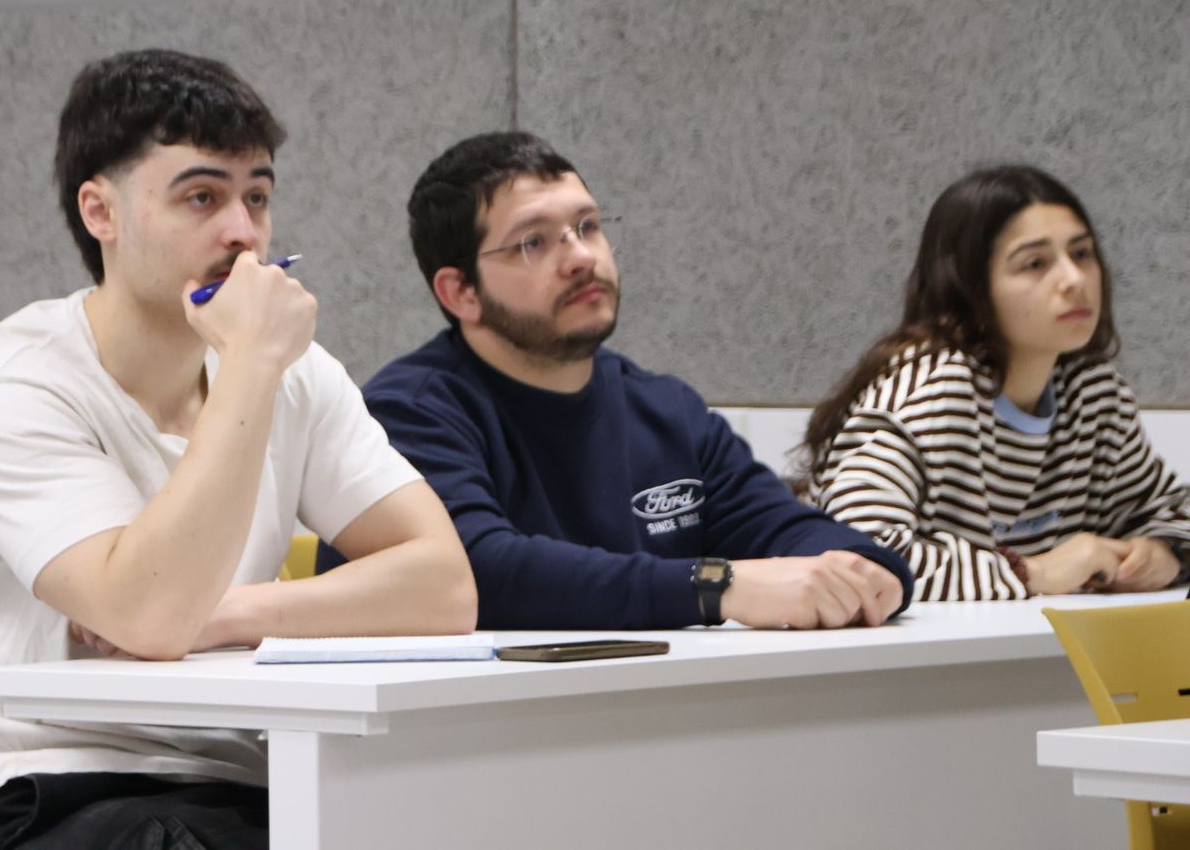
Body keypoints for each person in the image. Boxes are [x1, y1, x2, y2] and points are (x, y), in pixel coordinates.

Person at [0, 49, 476, 850]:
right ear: (101, 212)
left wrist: (230, 615)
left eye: (258, 196)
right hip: (45, 791)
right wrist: (248, 363)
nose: (243, 232)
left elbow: (445, 586)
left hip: (247, 783)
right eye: (202, 196)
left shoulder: (288, 370)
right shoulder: (8, 390)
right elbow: (150, 615)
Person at [324, 130, 912, 630]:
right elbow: (473, 573)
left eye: (587, 226)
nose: (581, 257)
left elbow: (790, 531)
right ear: (461, 293)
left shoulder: (666, 409)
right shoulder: (407, 413)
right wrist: (715, 586)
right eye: (533, 242)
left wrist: (862, 570)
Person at [801, 164, 1190, 600]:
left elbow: (1171, 511)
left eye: (1082, 253)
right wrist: (1035, 572)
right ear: (970, 287)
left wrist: (1167, 551)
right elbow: (853, 557)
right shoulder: (931, 390)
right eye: (1035, 264)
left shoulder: (1094, 393)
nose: (1074, 280)